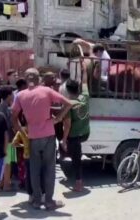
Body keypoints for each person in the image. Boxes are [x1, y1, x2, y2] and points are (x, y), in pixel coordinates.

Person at [12, 68, 72, 210]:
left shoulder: (20, 95)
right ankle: (49, 201)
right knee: (49, 169)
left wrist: (22, 131)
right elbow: (68, 103)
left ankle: (37, 201)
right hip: (48, 134)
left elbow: (13, 117)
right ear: (39, 78)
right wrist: (58, 118)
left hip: (32, 136)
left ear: (26, 79)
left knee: (34, 170)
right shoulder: (46, 91)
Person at [62, 63, 90, 192]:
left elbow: (67, 125)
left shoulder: (69, 104)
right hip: (85, 133)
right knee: (76, 153)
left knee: (76, 160)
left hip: (74, 136)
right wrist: (84, 69)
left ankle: (78, 183)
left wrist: (63, 140)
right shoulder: (85, 96)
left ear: (67, 90)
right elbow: (84, 81)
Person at [0, 86, 16, 191]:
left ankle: (2, 183)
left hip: (7, 138)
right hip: (7, 139)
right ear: (8, 96)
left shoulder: (3, 107)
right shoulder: (3, 108)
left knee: (7, 161)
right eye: (12, 94)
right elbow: (7, 125)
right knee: (7, 162)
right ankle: (6, 185)